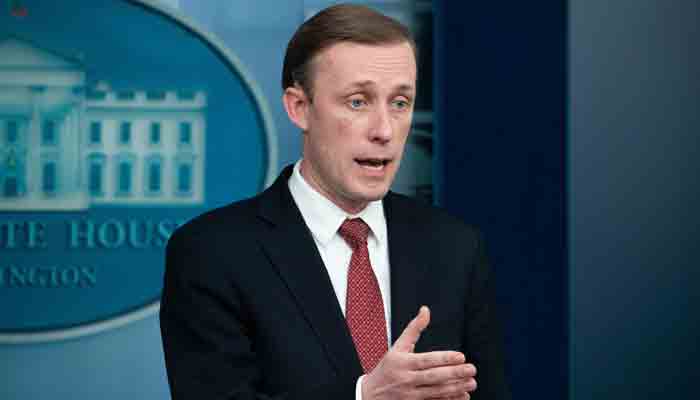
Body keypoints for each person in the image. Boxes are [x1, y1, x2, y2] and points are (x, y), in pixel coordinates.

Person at [160, 4, 510, 400]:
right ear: (299, 108)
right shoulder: (212, 253)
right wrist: (364, 396)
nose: (384, 130)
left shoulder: (456, 246)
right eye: (358, 102)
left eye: (400, 102)